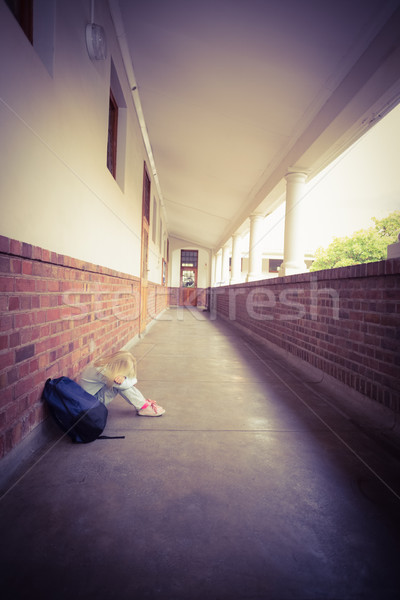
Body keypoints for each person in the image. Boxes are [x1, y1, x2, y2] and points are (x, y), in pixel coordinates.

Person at [79, 350, 165, 417]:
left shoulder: (104, 364)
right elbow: (126, 385)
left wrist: (124, 377)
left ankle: (143, 404)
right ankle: (143, 407)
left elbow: (129, 380)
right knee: (121, 385)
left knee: (121, 382)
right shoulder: (102, 372)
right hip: (92, 404)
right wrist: (128, 379)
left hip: (91, 398)